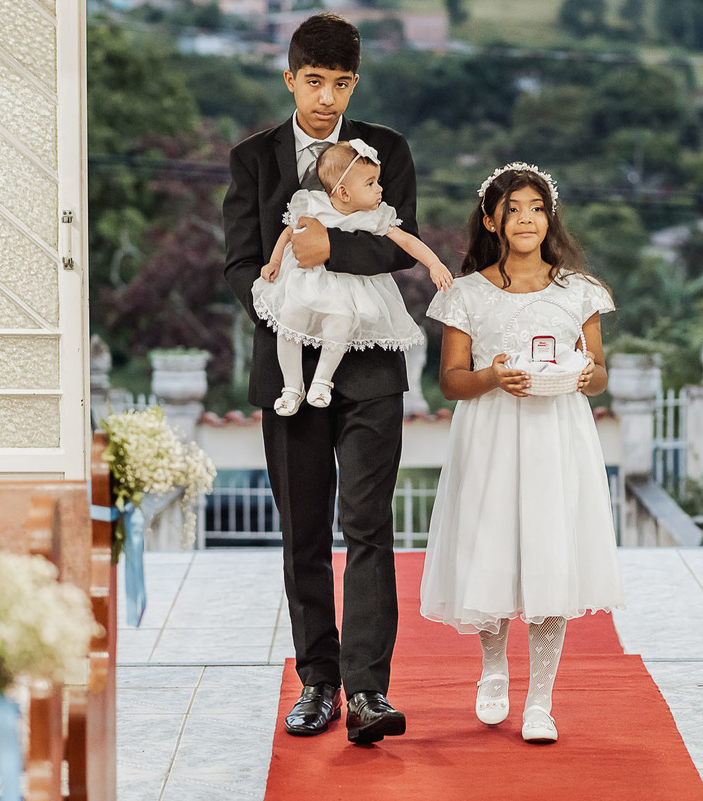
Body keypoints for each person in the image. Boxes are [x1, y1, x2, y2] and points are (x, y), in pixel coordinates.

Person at [222, 13, 419, 743]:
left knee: (368, 526)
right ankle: (319, 681)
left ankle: (369, 691)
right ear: (290, 79)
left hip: (372, 370)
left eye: (341, 83)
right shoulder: (252, 159)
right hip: (287, 365)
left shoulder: (386, 151)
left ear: (355, 82)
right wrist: (287, 317)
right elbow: (240, 262)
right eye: (314, 82)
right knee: (303, 529)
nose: (327, 97)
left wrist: (325, 245)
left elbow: (398, 247)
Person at [419, 163, 625, 744]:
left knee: (549, 553)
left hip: (556, 435)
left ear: (550, 217)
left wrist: (586, 376)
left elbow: (600, 371)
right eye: (513, 208)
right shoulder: (466, 295)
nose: (526, 218)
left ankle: (541, 701)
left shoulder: (580, 292)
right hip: (490, 432)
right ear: (491, 219)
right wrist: (494, 377)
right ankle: (492, 670)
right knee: (493, 545)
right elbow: (452, 382)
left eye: (536, 207)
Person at [253, 139, 452, 415]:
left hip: (348, 289)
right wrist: (274, 261)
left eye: (377, 182)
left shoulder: (375, 216)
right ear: (344, 192)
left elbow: (406, 241)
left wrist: (434, 263)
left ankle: (322, 380)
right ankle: (291, 385)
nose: (380, 189)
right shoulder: (314, 205)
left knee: (342, 322)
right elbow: (289, 232)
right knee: (290, 319)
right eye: (371, 184)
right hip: (308, 280)